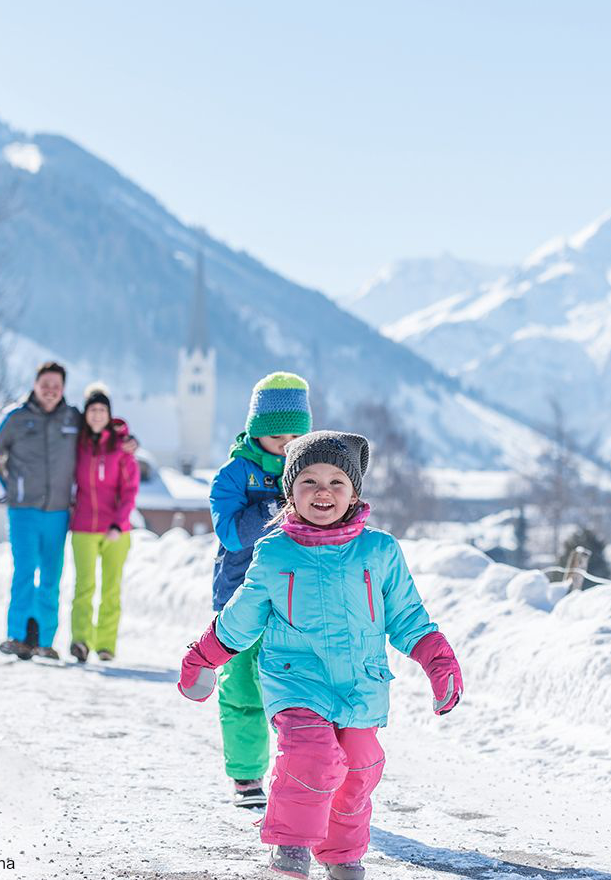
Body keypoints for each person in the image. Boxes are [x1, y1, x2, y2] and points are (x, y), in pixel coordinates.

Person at [179, 431, 463, 880]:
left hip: (361, 683)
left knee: (360, 766)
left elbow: (408, 616)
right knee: (313, 754)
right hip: (295, 680)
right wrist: (202, 658)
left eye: (336, 481)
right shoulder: (274, 552)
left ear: (354, 493)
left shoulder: (380, 551)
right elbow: (242, 615)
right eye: (308, 481)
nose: (323, 491)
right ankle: (290, 846)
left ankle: (341, 852)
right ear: (290, 492)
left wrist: (438, 661)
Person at [207, 372, 313, 807]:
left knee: (301, 691)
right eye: (275, 433)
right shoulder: (234, 475)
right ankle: (248, 776)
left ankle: (303, 775)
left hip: (296, 598)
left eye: (295, 434)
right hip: (239, 597)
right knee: (244, 688)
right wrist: (277, 507)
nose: (286, 444)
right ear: (256, 430)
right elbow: (232, 534)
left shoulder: (311, 471)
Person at [0, 361, 81, 661]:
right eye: (45, 385)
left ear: (63, 389)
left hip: (59, 512)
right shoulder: (15, 417)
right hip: (23, 511)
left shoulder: (72, 418)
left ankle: (45, 641)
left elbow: (99, 439)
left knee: (51, 576)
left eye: (56, 386)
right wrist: (1, 491)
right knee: (24, 573)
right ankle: (18, 636)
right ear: (35, 385)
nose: (50, 391)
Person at [68, 382, 141, 663]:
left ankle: (105, 645)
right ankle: (80, 641)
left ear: (109, 414)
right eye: (92, 410)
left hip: (116, 530)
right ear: (85, 414)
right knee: (83, 587)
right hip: (83, 526)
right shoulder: (79, 443)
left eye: (102, 410)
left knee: (111, 589)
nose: (97, 415)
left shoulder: (121, 448)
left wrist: (118, 523)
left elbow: (130, 489)